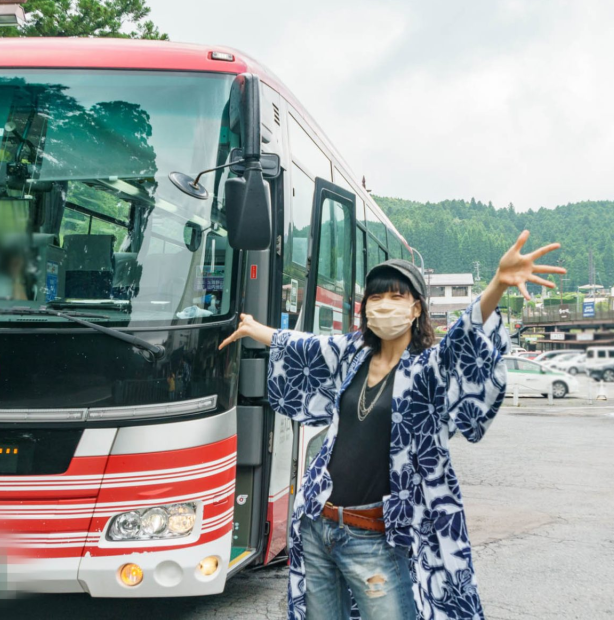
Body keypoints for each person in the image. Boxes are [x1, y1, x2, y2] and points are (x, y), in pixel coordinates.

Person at [219, 230, 564, 620]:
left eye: (396, 297)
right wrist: (255, 329)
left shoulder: (428, 368)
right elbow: (307, 346)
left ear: (416, 309)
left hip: (375, 534)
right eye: (376, 297)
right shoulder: (353, 354)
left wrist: (497, 285)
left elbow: (461, 342)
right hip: (318, 522)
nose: (384, 305)